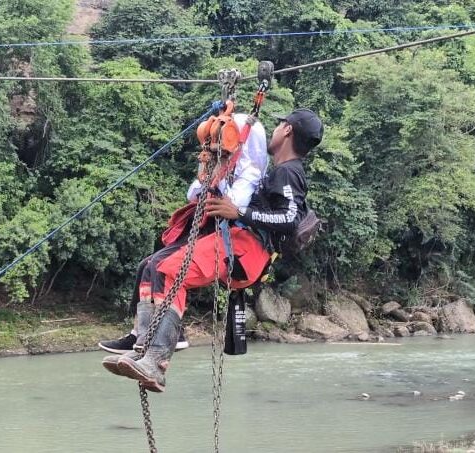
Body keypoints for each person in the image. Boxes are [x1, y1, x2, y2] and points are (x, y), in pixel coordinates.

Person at [103, 108, 324, 393]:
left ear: (288, 130)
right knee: (152, 265)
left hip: (247, 249)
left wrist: (239, 212)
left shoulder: (288, 172)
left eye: (280, 124)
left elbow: (289, 219)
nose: (275, 129)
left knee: (169, 270)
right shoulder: (277, 172)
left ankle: (157, 360)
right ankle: (144, 346)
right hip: (239, 244)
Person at [98, 112, 269, 355]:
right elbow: (193, 194)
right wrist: (210, 169)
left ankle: (170, 334)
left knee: (160, 266)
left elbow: (234, 202)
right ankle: (139, 331)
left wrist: (219, 175)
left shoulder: (250, 172)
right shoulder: (221, 166)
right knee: (145, 265)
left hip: (226, 234)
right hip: (203, 226)